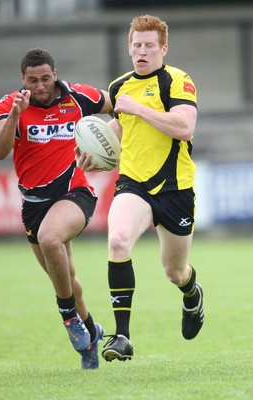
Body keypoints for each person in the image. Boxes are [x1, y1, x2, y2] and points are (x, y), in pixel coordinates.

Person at [79, 14, 204, 362]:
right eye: (136, 45)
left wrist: (139, 107)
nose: (142, 51)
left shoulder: (178, 81)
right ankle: (122, 337)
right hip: (133, 183)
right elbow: (120, 127)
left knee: (174, 271)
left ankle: (192, 293)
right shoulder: (120, 86)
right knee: (117, 240)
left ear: (163, 48)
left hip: (175, 189)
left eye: (150, 45)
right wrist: (95, 150)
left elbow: (184, 126)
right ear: (129, 48)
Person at [0, 47, 113, 369]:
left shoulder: (78, 97)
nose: (40, 86)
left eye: (46, 78)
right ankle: (90, 335)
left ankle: (68, 316)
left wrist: (112, 143)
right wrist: (17, 114)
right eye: (33, 80)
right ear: (23, 80)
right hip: (34, 205)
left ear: (54, 74)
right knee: (67, 279)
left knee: (50, 239)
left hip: (75, 194)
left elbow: (121, 105)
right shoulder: (9, 105)